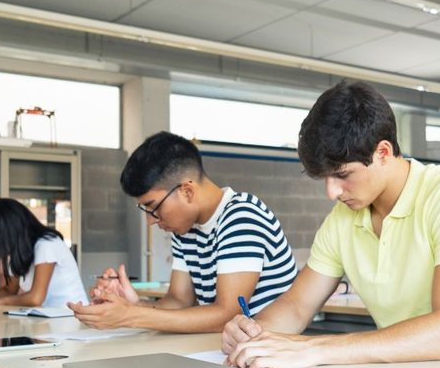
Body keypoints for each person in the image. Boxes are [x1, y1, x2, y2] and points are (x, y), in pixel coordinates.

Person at [221, 80, 440, 368]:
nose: (332, 192)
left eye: (343, 175)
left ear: (383, 153)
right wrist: (256, 333)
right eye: (325, 178)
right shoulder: (341, 220)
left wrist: (314, 348)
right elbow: (297, 306)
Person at [69, 132, 296, 333]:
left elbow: (227, 314)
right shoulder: (186, 229)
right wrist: (131, 305)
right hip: (228, 347)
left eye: (153, 207)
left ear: (187, 191)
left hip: (269, 352)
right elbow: (179, 301)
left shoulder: (241, 216)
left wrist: (131, 316)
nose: (150, 220)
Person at [0, 198, 86, 307]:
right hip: (45, 321)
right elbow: (9, 291)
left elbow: (35, 298)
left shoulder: (47, 244)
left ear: (10, 231)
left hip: (68, 320)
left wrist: (1, 302)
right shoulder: (18, 250)